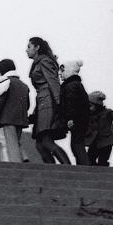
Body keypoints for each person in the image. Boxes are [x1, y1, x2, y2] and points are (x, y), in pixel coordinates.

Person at [26, 36, 70, 164]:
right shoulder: (39, 62)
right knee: (39, 144)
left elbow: (54, 83)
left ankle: (68, 167)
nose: (26, 50)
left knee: (45, 139)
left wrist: (59, 104)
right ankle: (53, 170)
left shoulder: (44, 61)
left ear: (37, 47)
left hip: (48, 103)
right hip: (43, 102)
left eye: (29, 46)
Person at [0, 59, 30, 162]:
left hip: (8, 118)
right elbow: (27, 104)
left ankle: (16, 163)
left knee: (11, 142)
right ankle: (24, 157)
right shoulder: (24, 85)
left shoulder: (4, 81)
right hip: (21, 118)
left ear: (3, 70)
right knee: (16, 140)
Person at [59, 59, 90, 165]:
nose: (60, 73)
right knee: (77, 145)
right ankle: (82, 166)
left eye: (62, 71)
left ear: (69, 71)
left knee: (77, 145)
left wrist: (70, 118)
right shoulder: (76, 84)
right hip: (81, 120)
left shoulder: (70, 86)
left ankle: (85, 169)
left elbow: (71, 103)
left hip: (77, 120)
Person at [86, 91, 113, 166]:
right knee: (90, 158)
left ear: (97, 105)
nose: (89, 108)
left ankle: (103, 172)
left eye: (91, 106)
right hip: (94, 141)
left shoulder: (107, 113)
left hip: (106, 142)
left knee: (103, 160)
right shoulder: (89, 115)